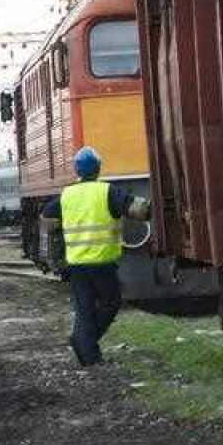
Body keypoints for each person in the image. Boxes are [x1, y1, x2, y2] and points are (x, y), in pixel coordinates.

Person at [42, 147, 136, 367]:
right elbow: (135, 208)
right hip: (102, 262)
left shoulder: (67, 195)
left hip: (77, 265)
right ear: (98, 169)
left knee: (84, 310)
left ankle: (89, 354)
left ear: (78, 170)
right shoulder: (107, 191)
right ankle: (84, 342)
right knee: (111, 303)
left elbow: (46, 215)